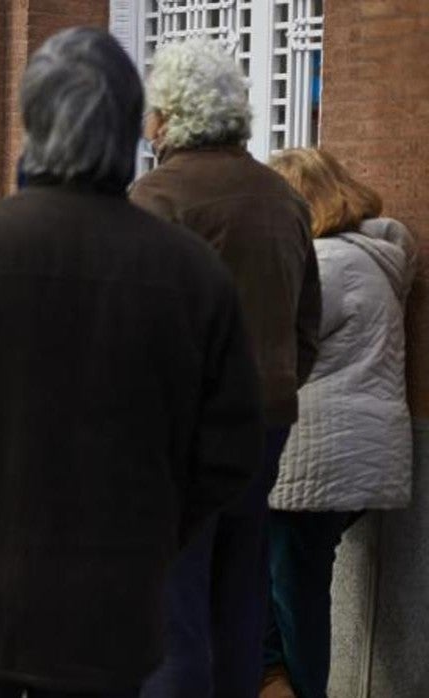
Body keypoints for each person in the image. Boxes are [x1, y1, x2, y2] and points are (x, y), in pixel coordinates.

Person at [0, 27, 264, 698]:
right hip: (107, 609)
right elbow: (226, 451)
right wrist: (151, 539)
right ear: (133, 128)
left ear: (29, 123)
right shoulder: (190, 273)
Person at [131, 38, 322, 698]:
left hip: (175, 433)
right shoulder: (284, 199)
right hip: (263, 423)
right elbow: (307, 327)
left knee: (174, 601)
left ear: (169, 115)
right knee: (240, 594)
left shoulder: (154, 198)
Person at [260, 149, 416, 698]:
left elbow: (273, 346)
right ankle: (276, 681)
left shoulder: (325, 263)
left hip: (317, 459)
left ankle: (297, 688)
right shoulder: (369, 259)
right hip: (355, 456)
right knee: (283, 584)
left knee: (294, 591)